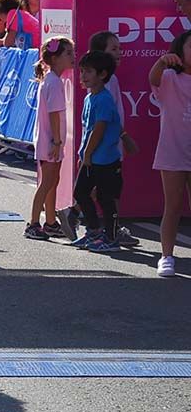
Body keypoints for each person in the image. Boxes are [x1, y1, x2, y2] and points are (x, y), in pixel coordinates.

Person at [89, 30, 140, 246]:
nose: (119, 52)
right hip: (109, 144)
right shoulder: (107, 81)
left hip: (108, 143)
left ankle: (82, 215)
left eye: (119, 48)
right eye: (113, 49)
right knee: (110, 190)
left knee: (103, 187)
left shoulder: (110, 80)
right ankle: (110, 229)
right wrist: (124, 137)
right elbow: (107, 118)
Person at [70, 51, 123, 253]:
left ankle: (111, 238)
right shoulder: (89, 97)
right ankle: (93, 230)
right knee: (81, 193)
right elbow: (87, 129)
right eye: (82, 71)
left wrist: (88, 154)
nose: (83, 76)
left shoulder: (104, 100)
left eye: (88, 72)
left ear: (102, 74)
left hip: (105, 159)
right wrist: (83, 154)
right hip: (91, 158)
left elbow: (99, 129)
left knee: (105, 198)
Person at [149, 29, 191, 277]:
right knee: (172, 206)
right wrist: (162, 60)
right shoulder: (168, 78)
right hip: (172, 152)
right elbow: (152, 79)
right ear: (180, 52)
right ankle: (166, 256)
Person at [25, 37, 74, 240]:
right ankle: (33, 223)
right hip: (50, 141)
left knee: (53, 180)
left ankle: (51, 221)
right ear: (54, 58)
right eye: (68, 54)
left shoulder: (52, 79)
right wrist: (56, 141)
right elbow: (54, 114)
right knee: (47, 182)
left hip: (50, 140)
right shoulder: (53, 82)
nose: (73, 57)